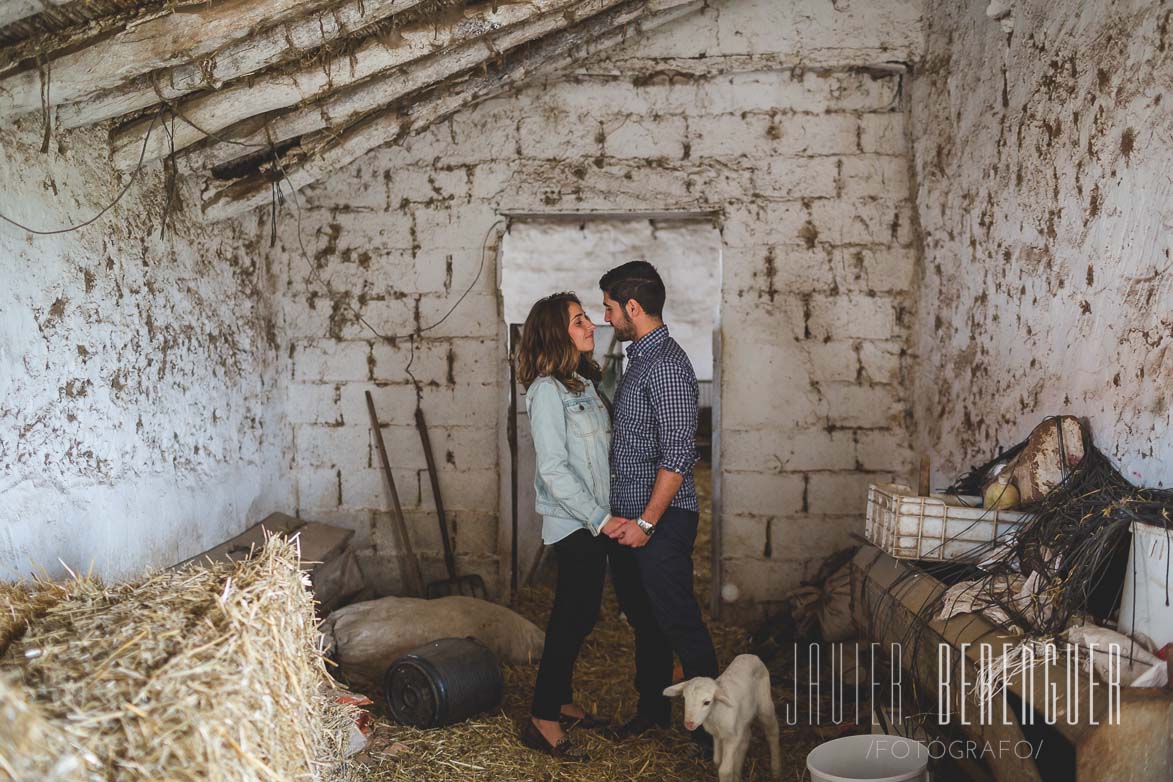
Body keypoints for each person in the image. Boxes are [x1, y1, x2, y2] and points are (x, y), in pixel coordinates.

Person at [598, 260, 719, 754]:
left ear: (632, 307)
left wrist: (648, 522)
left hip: (659, 520)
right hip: (631, 520)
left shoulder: (666, 363)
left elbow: (678, 454)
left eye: (608, 308)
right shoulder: (639, 359)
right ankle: (653, 713)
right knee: (646, 620)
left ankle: (714, 735)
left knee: (678, 619)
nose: (605, 318)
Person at [515, 292, 617, 762]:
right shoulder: (546, 392)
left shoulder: (583, 384)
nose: (591, 325)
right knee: (570, 618)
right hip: (576, 521)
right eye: (579, 321)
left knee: (582, 614)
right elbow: (554, 470)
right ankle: (543, 717)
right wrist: (600, 518)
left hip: (595, 518)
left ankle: (560, 700)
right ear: (558, 333)